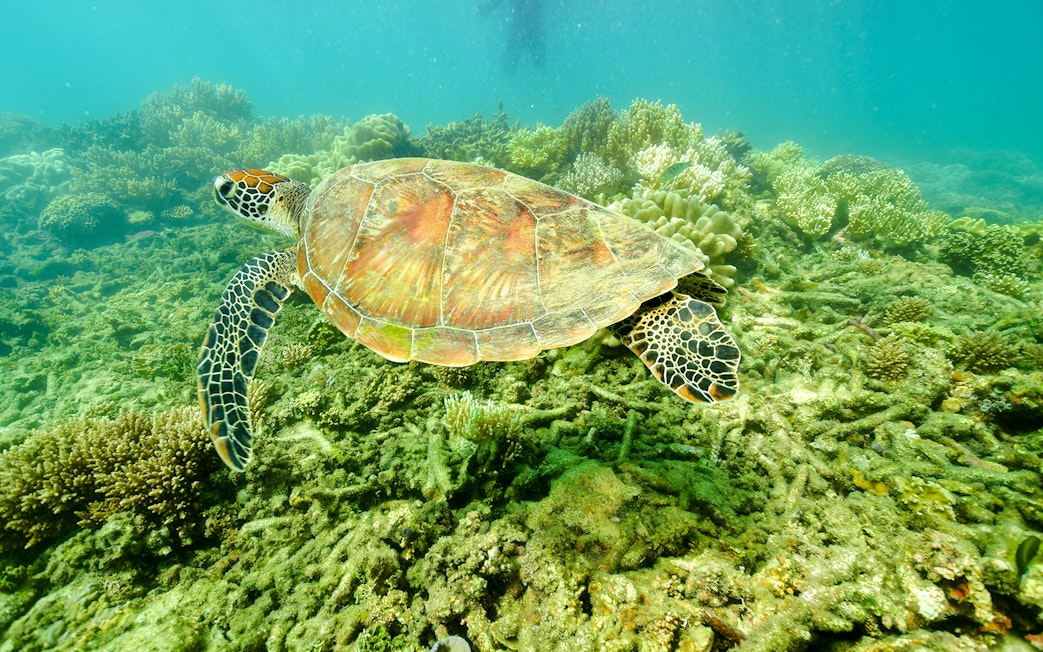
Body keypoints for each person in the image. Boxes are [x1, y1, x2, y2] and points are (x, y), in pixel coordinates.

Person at [478, 0, 546, 74]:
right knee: (509, 69)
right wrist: (485, 9)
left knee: (540, 63)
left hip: (525, 29)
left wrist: (485, 9)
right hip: (523, 29)